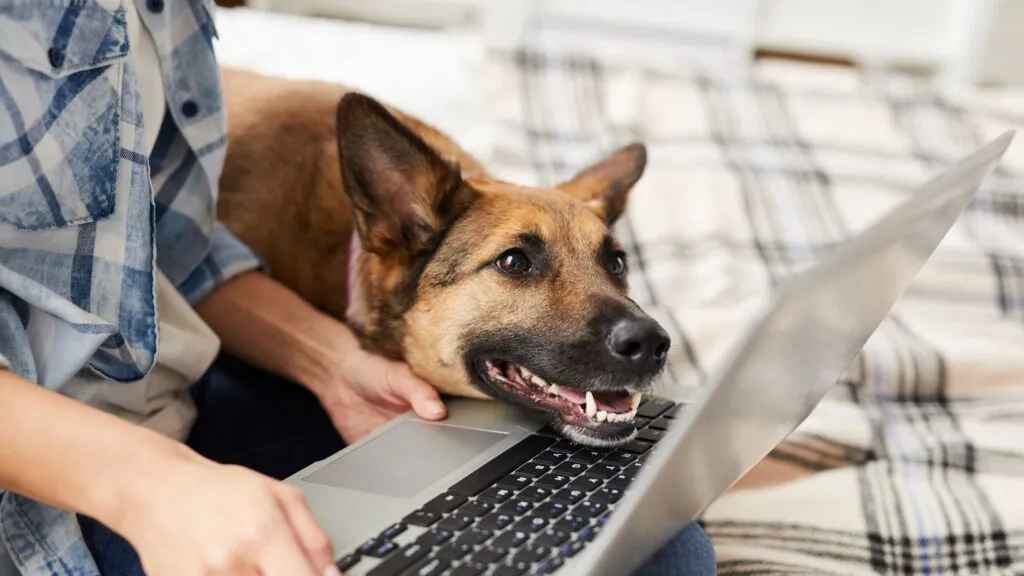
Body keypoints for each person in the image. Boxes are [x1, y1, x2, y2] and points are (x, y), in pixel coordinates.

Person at [0, 1, 717, 575]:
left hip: (171, 386)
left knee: (660, 549)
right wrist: (148, 486)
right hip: (57, 476)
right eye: (518, 265)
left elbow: (164, 243)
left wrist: (331, 365)